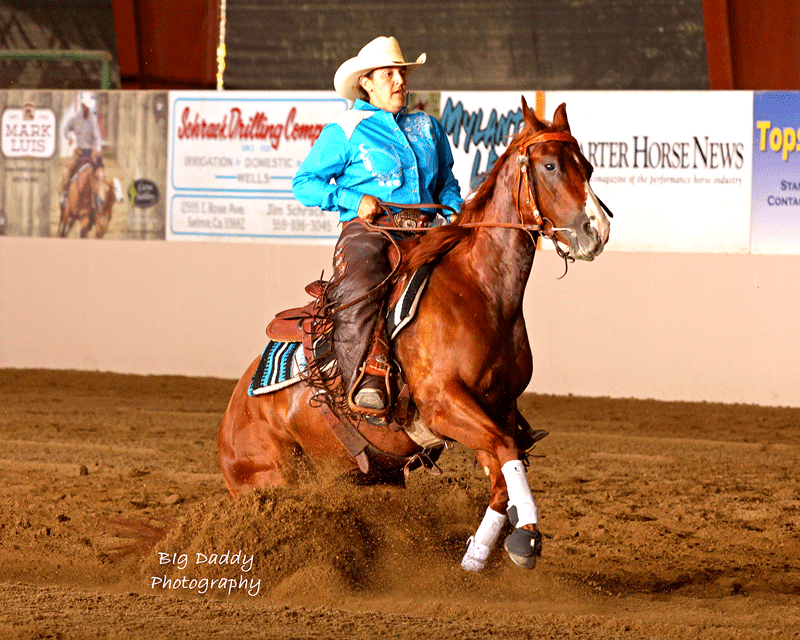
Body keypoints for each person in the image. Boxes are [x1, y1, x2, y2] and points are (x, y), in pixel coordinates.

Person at [292, 36, 463, 418]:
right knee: (360, 284)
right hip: (369, 232)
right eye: (389, 74)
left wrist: (453, 208)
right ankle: (363, 381)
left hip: (424, 232)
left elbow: (447, 181)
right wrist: (354, 201)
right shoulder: (346, 128)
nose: (399, 80)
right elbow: (303, 183)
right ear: (366, 83)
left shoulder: (428, 127)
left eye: (401, 73)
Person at [61, 92, 104, 208]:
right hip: (79, 151)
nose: (87, 109)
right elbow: (66, 128)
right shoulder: (75, 118)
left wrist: (97, 148)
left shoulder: (93, 119)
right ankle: (64, 194)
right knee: (68, 169)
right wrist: (69, 136)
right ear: (82, 105)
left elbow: (97, 137)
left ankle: (99, 197)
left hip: (91, 152)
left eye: (89, 107)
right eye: (86, 106)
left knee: (100, 174)